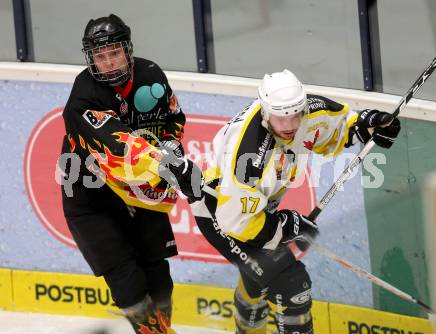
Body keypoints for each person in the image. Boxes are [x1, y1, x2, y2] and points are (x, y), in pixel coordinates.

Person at [163, 69, 401, 334]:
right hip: (220, 214)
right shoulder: (251, 154)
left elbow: (342, 127)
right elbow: (236, 223)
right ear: (266, 112)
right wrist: (285, 227)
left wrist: (369, 125)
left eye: (294, 116)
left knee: (259, 277)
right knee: (292, 285)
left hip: (255, 211)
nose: (289, 125)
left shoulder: (304, 111)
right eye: (280, 118)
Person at [60, 14, 185, 334]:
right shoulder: (83, 96)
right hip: (91, 194)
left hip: (139, 188)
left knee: (157, 272)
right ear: (91, 60)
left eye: (114, 53)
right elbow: (121, 146)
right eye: (100, 57)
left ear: (127, 50)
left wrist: (172, 151)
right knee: (127, 279)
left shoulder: (151, 75)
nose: (109, 63)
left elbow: (173, 119)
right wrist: (164, 163)